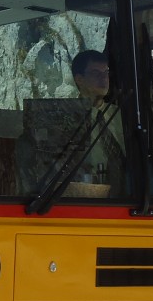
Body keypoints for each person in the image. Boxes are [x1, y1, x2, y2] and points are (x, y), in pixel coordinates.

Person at [17, 49, 124, 198]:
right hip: (83, 194)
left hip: (125, 197)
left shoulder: (119, 115)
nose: (103, 78)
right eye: (95, 73)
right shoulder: (66, 116)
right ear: (79, 79)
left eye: (106, 72)